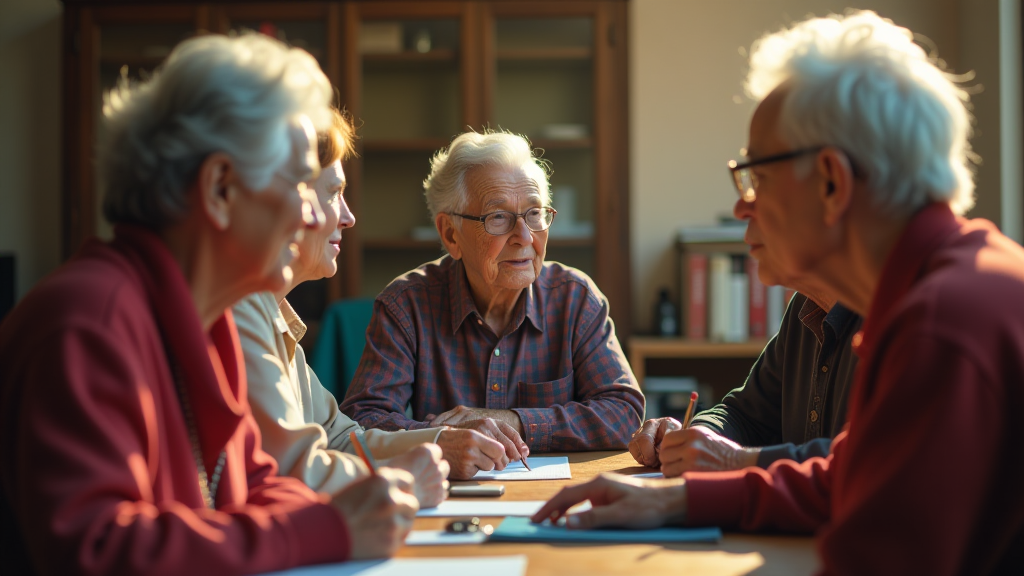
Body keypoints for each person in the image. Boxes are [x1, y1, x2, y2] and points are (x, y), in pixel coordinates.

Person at [534, 11, 1024, 574]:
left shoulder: (943, 323)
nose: (743, 207)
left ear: (832, 182)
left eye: (756, 176)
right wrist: (680, 499)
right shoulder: (952, 284)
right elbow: (850, 477)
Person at [0, 34, 417, 575]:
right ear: (220, 188)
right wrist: (327, 528)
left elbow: (255, 484)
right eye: (299, 183)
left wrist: (348, 516)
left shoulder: (207, 322)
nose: (317, 216)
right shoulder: (87, 322)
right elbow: (96, 549)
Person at [341, 130, 644, 475]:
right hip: (450, 500)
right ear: (450, 235)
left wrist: (511, 420)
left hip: (553, 496)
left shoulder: (575, 299)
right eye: (498, 217)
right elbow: (362, 423)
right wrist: (442, 439)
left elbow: (624, 414)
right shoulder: (406, 305)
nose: (525, 237)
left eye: (534, 214)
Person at [233, 107, 485, 497]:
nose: (348, 217)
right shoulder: (242, 310)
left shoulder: (274, 314)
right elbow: (291, 471)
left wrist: (439, 443)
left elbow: (339, 438)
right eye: (334, 193)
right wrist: (404, 478)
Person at [629, 288, 862, 476]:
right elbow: (745, 415)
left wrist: (732, 460)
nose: (747, 231)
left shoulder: (885, 315)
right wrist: (698, 436)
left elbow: (858, 463)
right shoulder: (805, 304)